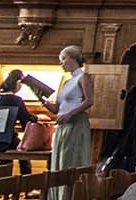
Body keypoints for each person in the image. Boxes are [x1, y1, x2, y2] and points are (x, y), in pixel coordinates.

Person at [46, 45, 96, 199]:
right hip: (63, 125)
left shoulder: (83, 77)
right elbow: (57, 109)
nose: (61, 63)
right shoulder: (67, 82)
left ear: (74, 58)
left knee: (71, 159)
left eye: (63, 59)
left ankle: (70, 196)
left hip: (76, 123)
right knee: (59, 161)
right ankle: (57, 196)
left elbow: (90, 101)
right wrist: (44, 101)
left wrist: (70, 114)